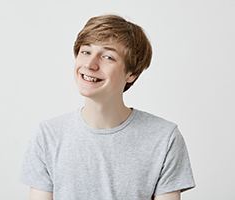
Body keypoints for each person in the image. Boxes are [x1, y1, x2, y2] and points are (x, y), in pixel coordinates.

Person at [20, 14, 196, 200]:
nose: (90, 64)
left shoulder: (164, 138)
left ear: (132, 73)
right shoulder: (48, 135)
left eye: (107, 57)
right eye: (86, 51)